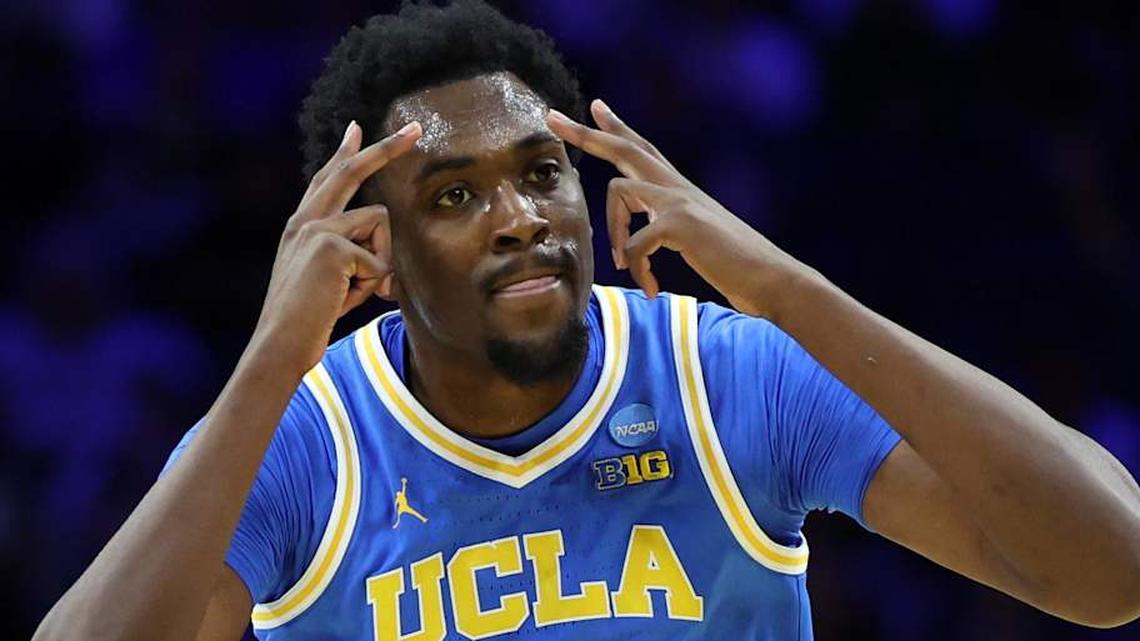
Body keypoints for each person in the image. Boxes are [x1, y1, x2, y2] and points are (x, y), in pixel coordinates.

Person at [33, 1, 1140, 640]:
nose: (519, 218)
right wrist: (276, 353)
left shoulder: (728, 375)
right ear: (373, 247)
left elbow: (1112, 568)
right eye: (453, 196)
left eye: (541, 173)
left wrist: (787, 289)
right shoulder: (298, 439)